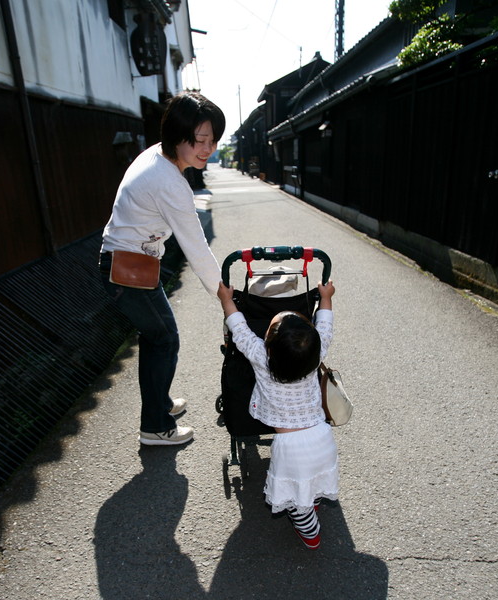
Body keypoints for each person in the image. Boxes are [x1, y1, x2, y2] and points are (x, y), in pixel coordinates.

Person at [98, 92, 226, 446]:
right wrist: (225, 295)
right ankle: (155, 426)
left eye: (213, 140)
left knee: (158, 338)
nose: (208, 148)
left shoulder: (156, 156)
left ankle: (160, 405)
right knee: (164, 338)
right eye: (200, 140)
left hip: (129, 263)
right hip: (126, 268)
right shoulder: (170, 182)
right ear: (177, 135)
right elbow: (196, 246)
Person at [217, 279, 338, 549]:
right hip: (322, 437)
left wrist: (227, 300)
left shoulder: (261, 357)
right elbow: (326, 327)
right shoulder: (316, 354)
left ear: (268, 347)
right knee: (313, 483)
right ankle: (312, 505)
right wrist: (326, 297)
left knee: (296, 504)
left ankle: (311, 534)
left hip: (290, 448)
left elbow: (240, 330)